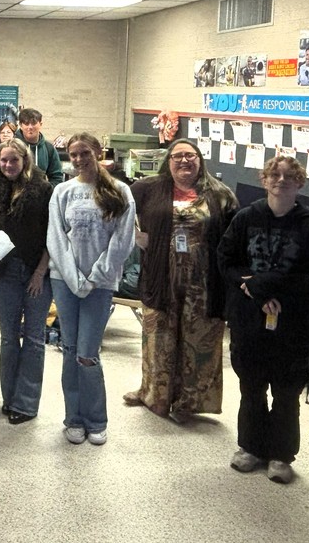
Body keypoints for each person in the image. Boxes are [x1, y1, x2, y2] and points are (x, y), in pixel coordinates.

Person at [217, 156, 309, 484]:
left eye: (289, 176)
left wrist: (264, 288)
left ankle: (281, 455)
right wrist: (253, 290)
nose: (281, 180)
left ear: (300, 183)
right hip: (250, 317)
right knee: (251, 386)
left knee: (285, 391)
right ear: (264, 180)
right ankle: (250, 448)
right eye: (275, 175)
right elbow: (226, 261)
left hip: (292, 319)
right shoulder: (245, 219)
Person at [124, 139, 238, 421]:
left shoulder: (220, 195)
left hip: (204, 283)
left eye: (191, 156)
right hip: (161, 277)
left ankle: (190, 402)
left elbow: (235, 238)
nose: (184, 161)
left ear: (200, 160)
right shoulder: (148, 188)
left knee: (199, 340)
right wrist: (136, 236)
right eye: (177, 156)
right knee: (158, 337)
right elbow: (119, 212)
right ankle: (155, 395)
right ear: (168, 160)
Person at [48, 133, 135, 446]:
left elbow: (121, 242)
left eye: (85, 152)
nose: (79, 158)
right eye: (73, 154)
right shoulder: (63, 191)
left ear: (99, 152)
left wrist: (94, 276)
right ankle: (73, 419)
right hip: (65, 281)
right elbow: (56, 239)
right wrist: (73, 278)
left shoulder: (120, 191)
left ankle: (96, 420)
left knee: (87, 354)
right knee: (70, 350)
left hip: (100, 284)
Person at [0, 139, 53, 425]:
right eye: (3, 161)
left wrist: (39, 273)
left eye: (14, 160)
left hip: (37, 272)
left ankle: (26, 403)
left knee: (34, 339)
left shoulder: (43, 190)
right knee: (9, 338)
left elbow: (52, 235)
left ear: (25, 160)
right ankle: (10, 398)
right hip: (6, 272)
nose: (8, 165)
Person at [14, 108, 64, 184]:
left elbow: (57, 177)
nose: (30, 127)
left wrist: (48, 191)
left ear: (40, 124)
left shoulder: (49, 148)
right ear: (21, 125)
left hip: (42, 194)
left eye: (33, 123)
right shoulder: (11, 147)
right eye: (26, 123)